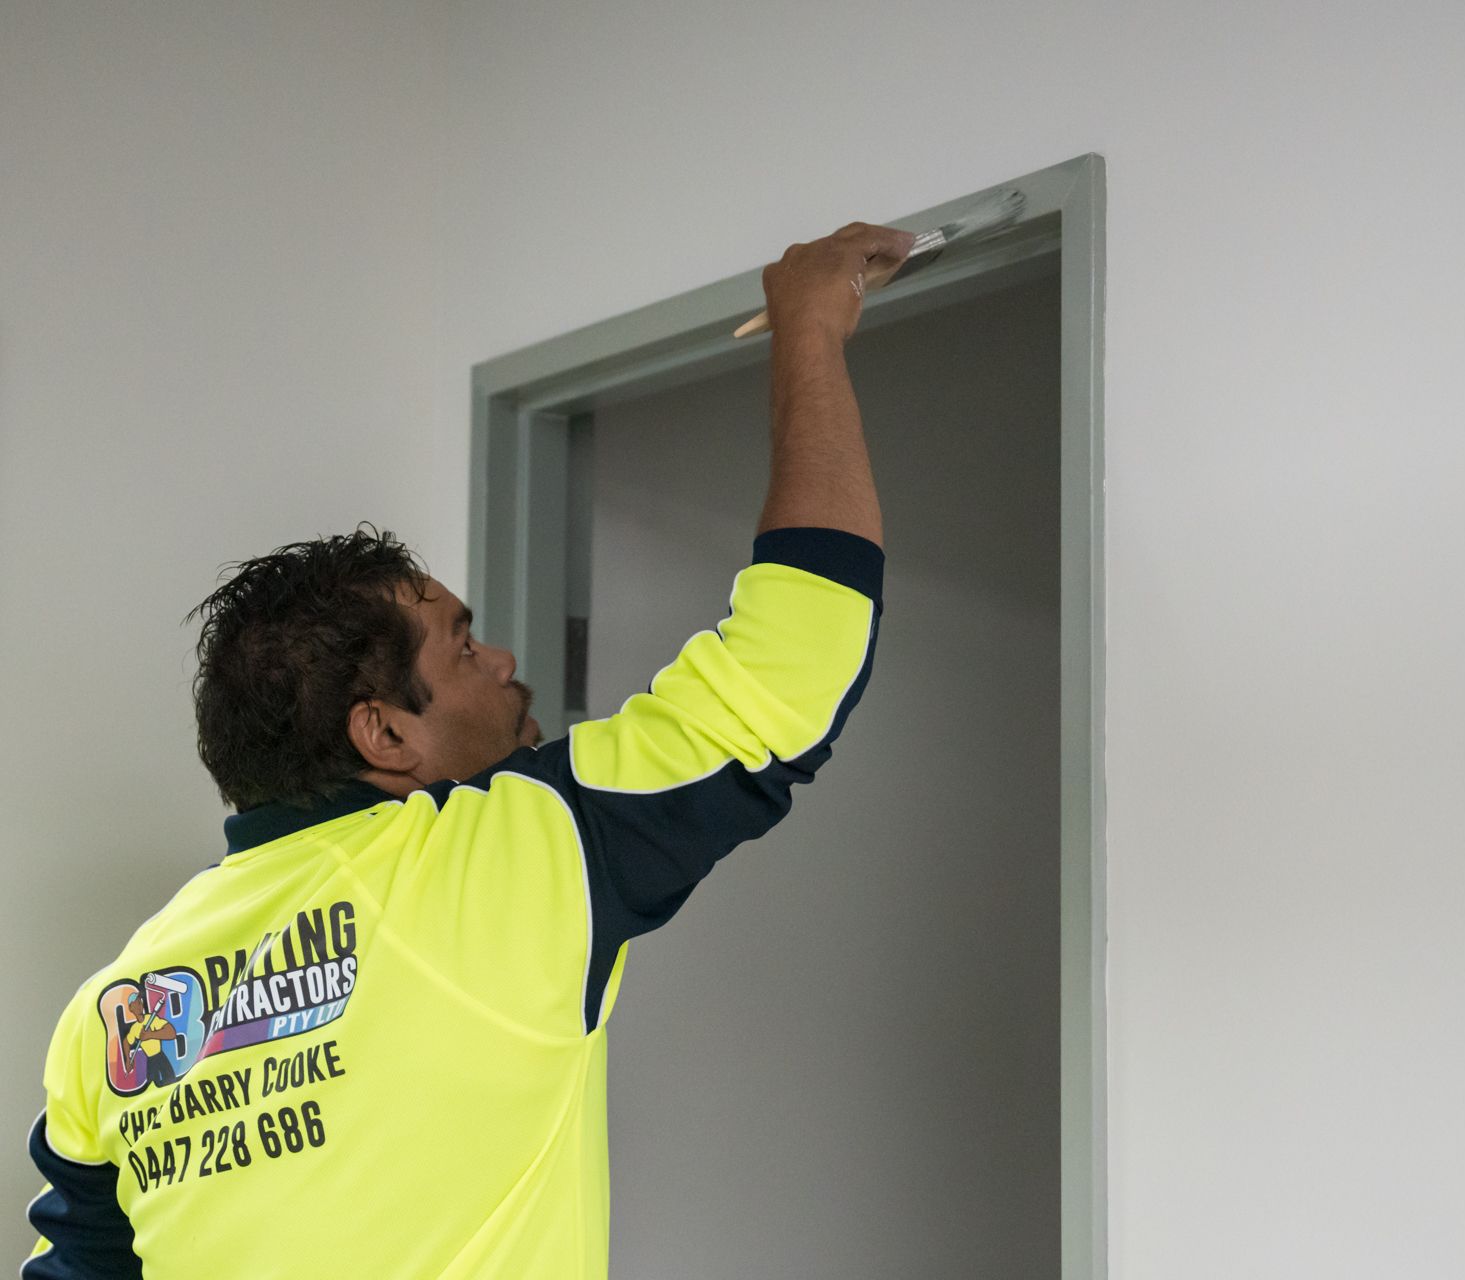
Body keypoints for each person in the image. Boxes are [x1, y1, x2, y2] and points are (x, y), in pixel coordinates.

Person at [22, 221, 917, 1279]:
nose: (502, 660)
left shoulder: (117, 1012)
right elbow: (792, 661)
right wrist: (811, 329)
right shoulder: (500, 858)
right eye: (461, 645)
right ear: (382, 731)